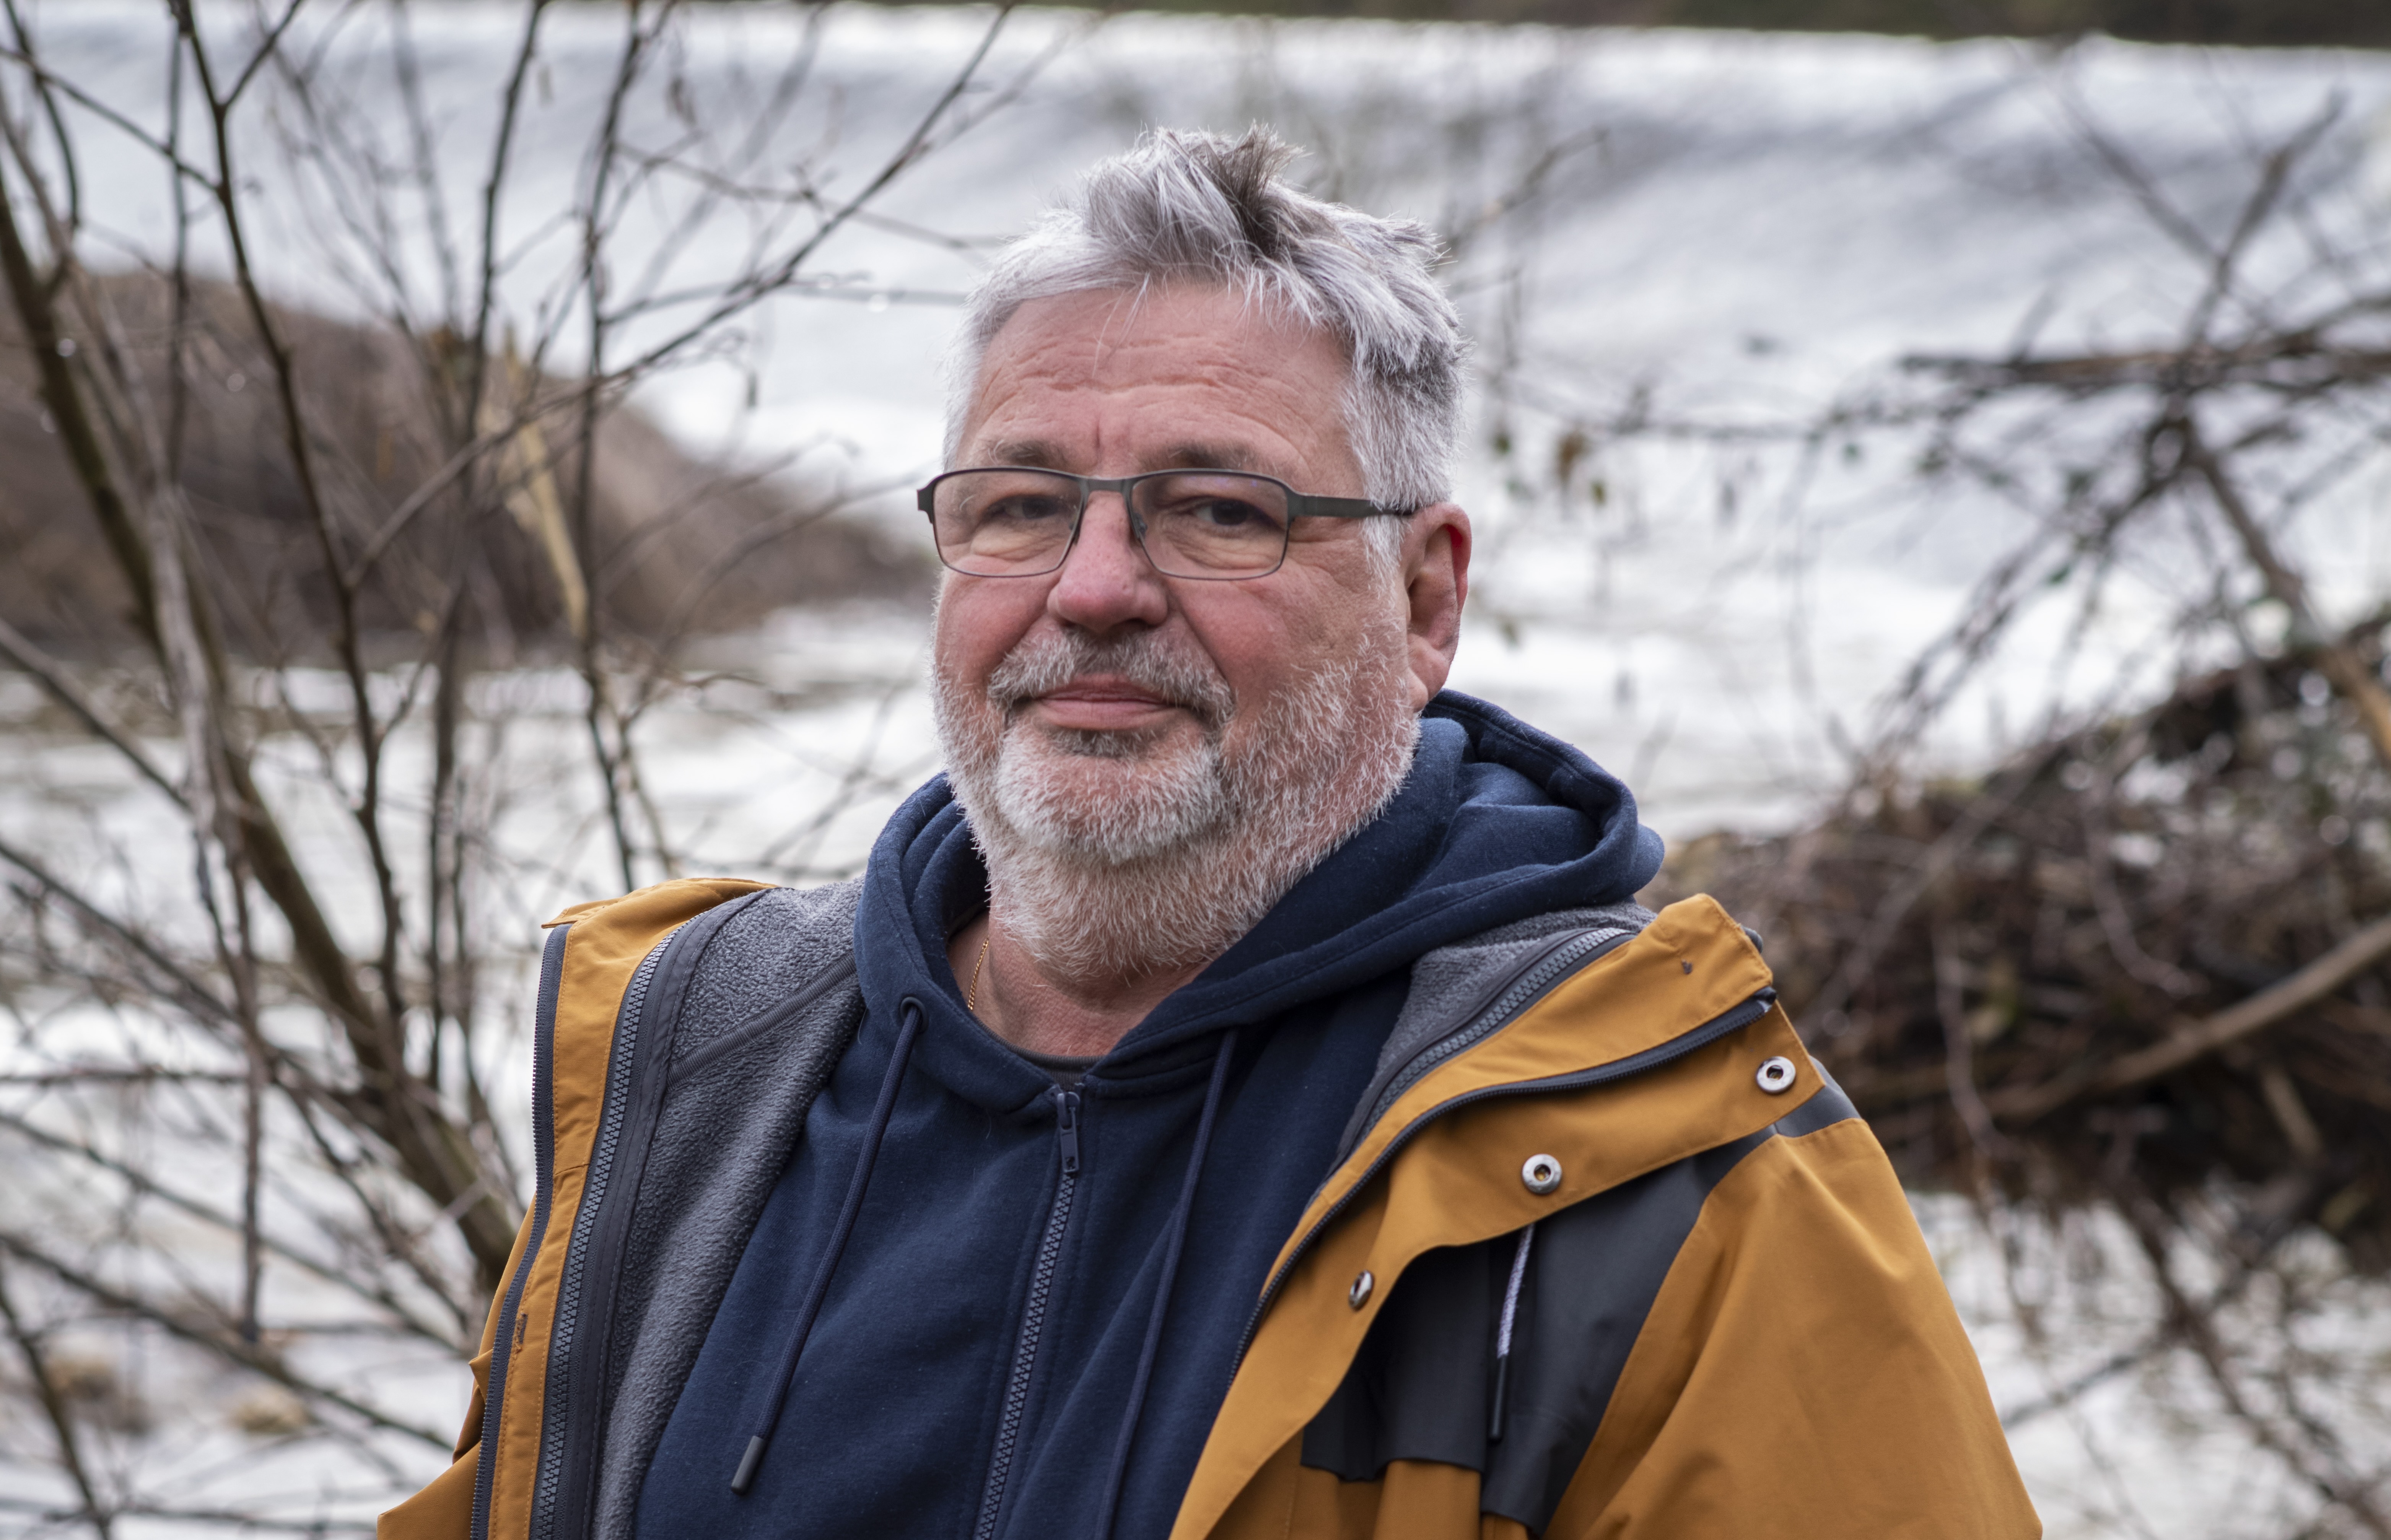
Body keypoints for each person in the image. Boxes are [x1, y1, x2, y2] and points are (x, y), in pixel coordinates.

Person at [381, 128, 2037, 1540]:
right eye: (1020, 504)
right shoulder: (702, 1065)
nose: (1092, 589)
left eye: (1221, 510)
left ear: (1424, 597)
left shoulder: (1653, 1169)